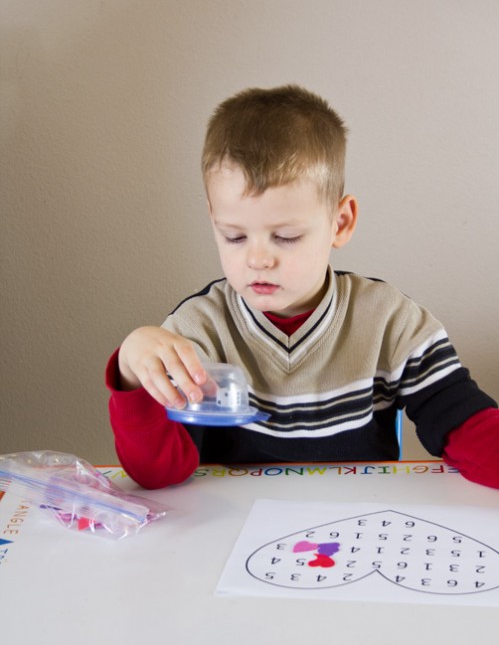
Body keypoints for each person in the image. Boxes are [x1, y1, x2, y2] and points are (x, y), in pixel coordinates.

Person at [106, 84, 499, 490]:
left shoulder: (389, 321)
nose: (257, 259)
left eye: (286, 236)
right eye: (234, 237)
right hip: (231, 532)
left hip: (354, 526)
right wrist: (132, 375)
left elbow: (464, 424)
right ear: (213, 219)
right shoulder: (197, 329)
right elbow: (157, 472)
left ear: (340, 222)